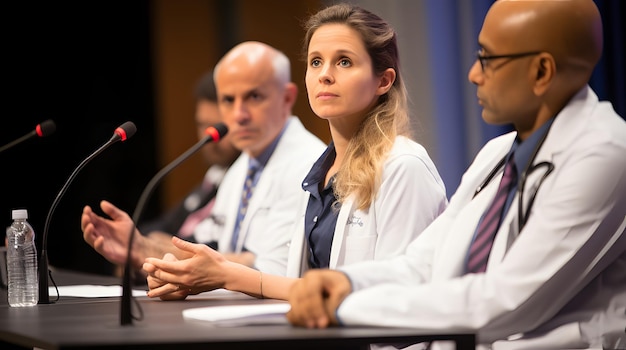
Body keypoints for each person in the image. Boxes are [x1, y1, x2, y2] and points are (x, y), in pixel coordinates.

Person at [286, 1, 626, 349]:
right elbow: (424, 261)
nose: (474, 74)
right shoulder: (499, 153)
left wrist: (348, 307)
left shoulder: (605, 153)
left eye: (488, 59)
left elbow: (505, 302)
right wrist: (345, 284)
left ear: (541, 72)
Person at [141, 4, 447, 302]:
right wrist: (193, 277)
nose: (324, 75)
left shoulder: (404, 167)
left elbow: (398, 293)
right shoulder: (318, 174)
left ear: (383, 80)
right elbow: (301, 285)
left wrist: (226, 275)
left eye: (343, 62)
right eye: (316, 62)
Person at [82, 41, 326, 277]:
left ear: (287, 98)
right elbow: (209, 250)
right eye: (228, 100)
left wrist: (146, 250)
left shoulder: (309, 166)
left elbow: (272, 269)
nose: (238, 115)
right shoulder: (241, 168)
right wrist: (141, 249)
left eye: (254, 97)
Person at [82, 70, 240, 273]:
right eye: (202, 124)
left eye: (218, 127)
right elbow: (164, 225)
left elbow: (219, 248)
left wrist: (154, 247)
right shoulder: (214, 176)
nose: (209, 136)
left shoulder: (244, 181)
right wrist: (139, 242)